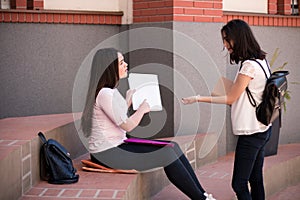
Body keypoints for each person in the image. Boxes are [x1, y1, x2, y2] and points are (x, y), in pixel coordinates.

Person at [81, 48, 216, 200]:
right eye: (121, 62)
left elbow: (116, 118)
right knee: (167, 154)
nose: (126, 64)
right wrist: (142, 110)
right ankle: (201, 198)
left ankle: (203, 194)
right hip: (107, 154)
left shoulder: (107, 92)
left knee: (173, 147)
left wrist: (127, 102)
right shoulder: (105, 93)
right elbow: (127, 125)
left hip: (116, 147)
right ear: (109, 68)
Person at [182, 19, 272, 200]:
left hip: (251, 132)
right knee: (255, 179)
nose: (225, 44)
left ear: (238, 38)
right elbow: (248, 93)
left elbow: (231, 98)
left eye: (226, 40)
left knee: (239, 184)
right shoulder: (261, 60)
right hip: (262, 128)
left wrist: (198, 98)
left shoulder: (249, 66)